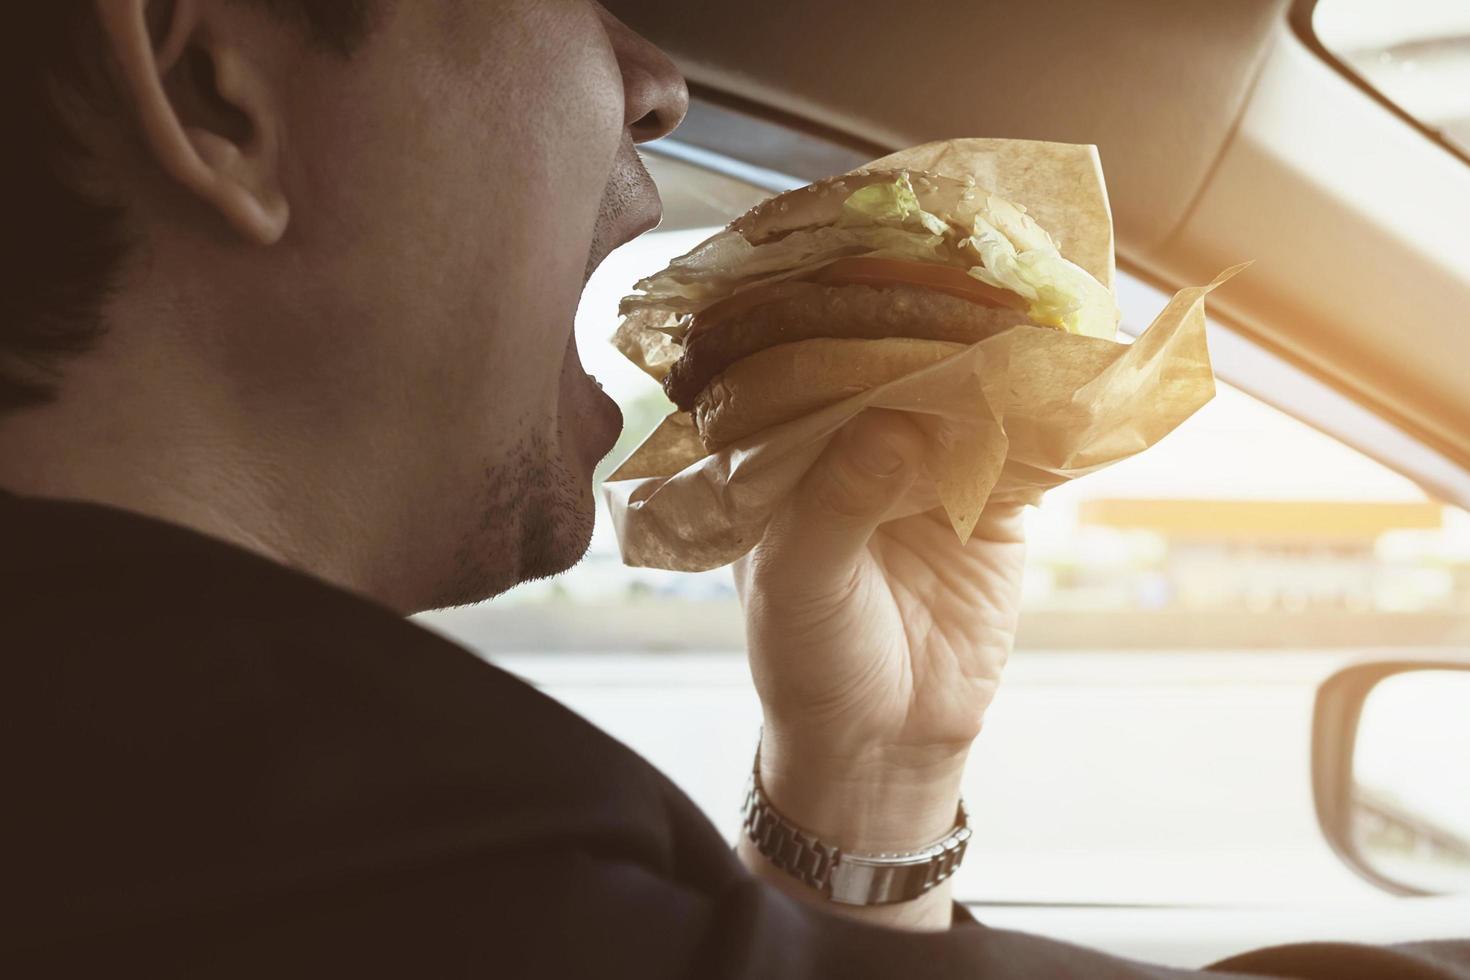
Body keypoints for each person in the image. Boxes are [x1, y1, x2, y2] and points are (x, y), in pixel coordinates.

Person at [0, 2, 1464, 976]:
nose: (659, 85)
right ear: (214, 91)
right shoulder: (375, 842)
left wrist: (871, 783)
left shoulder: (171, 793)